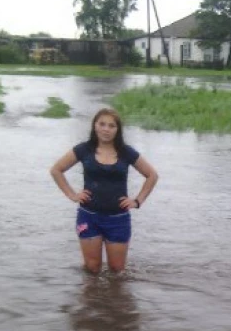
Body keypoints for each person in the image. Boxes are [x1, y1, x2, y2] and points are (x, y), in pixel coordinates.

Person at [50, 107, 158, 274]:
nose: (106, 129)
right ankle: (92, 299)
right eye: (102, 124)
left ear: (117, 130)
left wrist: (137, 201)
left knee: (117, 270)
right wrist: (72, 195)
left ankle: (113, 299)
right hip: (88, 217)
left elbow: (152, 175)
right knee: (92, 268)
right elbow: (56, 170)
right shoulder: (84, 149)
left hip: (118, 219)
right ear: (95, 126)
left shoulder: (126, 152)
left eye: (111, 126)